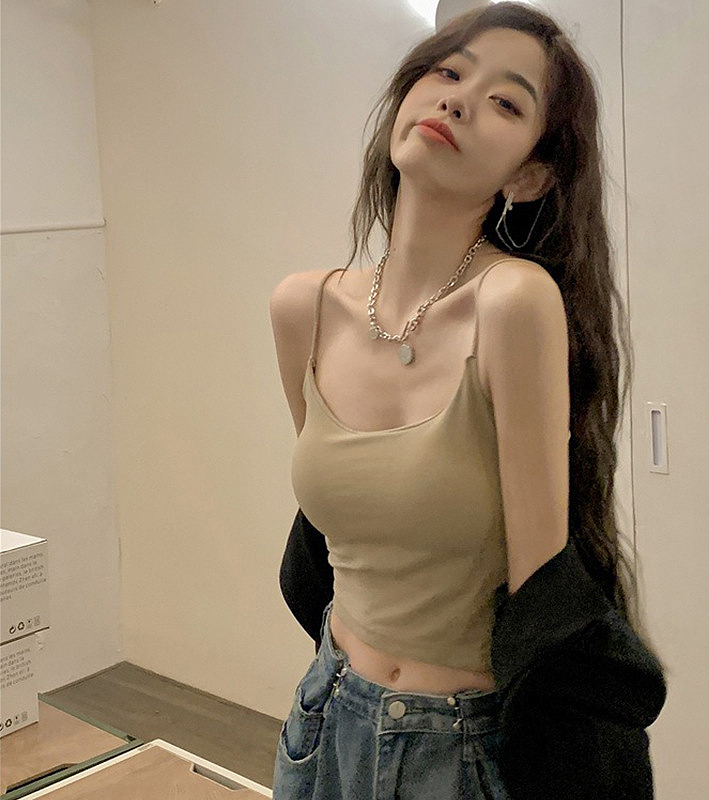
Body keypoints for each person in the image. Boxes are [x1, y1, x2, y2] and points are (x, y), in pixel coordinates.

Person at [269, 3, 668, 798]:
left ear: (529, 175)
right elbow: (343, 527)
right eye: (449, 71)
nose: (457, 99)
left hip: (454, 745)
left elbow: (541, 583)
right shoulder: (302, 307)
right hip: (322, 717)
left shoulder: (513, 302)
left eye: (506, 102)